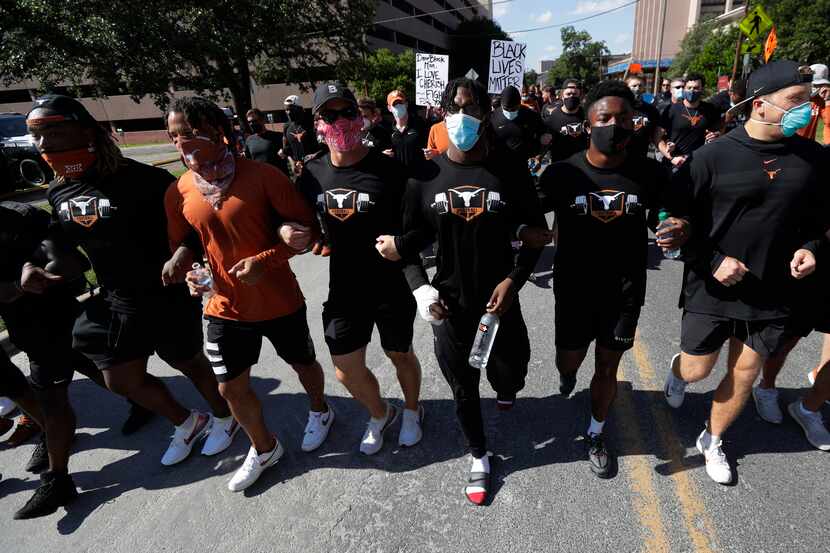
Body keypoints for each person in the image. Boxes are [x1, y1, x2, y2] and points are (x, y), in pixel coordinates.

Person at [27, 95, 232, 471]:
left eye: (54, 132)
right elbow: (64, 249)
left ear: (87, 131)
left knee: (188, 362)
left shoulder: (144, 180)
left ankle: (224, 416)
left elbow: (194, 226)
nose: (44, 144)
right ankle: (188, 421)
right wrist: (42, 268)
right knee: (120, 379)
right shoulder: (58, 192)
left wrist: (183, 255)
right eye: (37, 136)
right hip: (114, 300)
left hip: (163, 291)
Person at [663, 61, 828, 485]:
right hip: (712, 286)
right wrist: (712, 258)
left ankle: (712, 438)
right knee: (699, 370)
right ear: (759, 105)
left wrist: (812, 248)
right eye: (795, 100)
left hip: (773, 292)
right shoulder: (710, 157)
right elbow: (669, 219)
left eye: (809, 99)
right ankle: (679, 369)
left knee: (745, 372)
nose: (806, 108)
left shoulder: (814, 159)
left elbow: (819, 223)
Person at [385, 77, 548, 505]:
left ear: (485, 113)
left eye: (472, 107)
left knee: (511, 374)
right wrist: (421, 291)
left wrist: (514, 280)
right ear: (442, 113)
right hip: (450, 305)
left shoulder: (508, 168)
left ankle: (506, 384)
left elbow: (536, 235)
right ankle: (478, 454)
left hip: (501, 302)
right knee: (463, 386)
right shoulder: (424, 176)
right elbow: (406, 246)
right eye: (455, 107)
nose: (463, 116)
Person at [165, 96, 333, 492]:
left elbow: (307, 232)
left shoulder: (263, 176)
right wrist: (185, 267)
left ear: (218, 132)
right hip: (223, 305)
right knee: (229, 388)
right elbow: (190, 241)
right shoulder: (180, 190)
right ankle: (264, 447)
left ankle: (320, 410)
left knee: (304, 364)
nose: (183, 144)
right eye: (174, 137)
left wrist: (266, 260)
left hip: (278, 301)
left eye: (190, 134)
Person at [539, 81, 688, 478]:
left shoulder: (650, 174)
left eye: (623, 118)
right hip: (573, 290)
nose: (614, 125)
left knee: (607, 368)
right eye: (604, 117)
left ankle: (595, 431)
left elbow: (674, 213)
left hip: (624, 291)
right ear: (588, 124)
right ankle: (568, 374)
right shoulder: (561, 174)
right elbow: (525, 212)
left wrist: (676, 225)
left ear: (634, 123)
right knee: (569, 359)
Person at [297, 82, 425, 455]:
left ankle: (414, 410)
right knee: (345, 368)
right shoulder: (311, 173)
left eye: (347, 112)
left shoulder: (389, 170)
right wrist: (301, 233)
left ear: (360, 116)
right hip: (345, 288)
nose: (340, 121)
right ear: (319, 123)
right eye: (330, 115)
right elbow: (301, 220)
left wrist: (400, 246)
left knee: (399, 354)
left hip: (390, 284)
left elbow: (416, 226)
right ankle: (380, 412)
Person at [657, 73, 720, 170]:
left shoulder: (709, 109)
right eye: (689, 88)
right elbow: (657, 137)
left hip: (699, 163)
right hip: (676, 163)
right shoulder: (671, 110)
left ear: (702, 89)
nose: (692, 91)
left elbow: (718, 131)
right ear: (684, 89)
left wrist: (716, 135)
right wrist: (671, 157)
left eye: (696, 88)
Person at [489, 85, 548, 167]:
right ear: (501, 104)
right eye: (506, 109)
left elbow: (545, 137)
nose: (510, 112)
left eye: (513, 109)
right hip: (500, 166)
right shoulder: (492, 117)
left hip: (526, 167)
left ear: (519, 103)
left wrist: (539, 157)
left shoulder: (531, 115)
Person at [544, 78, 588, 163]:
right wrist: (539, 157)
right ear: (562, 96)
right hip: (560, 165)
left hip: (583, 167)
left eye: (575, 94)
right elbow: (547, 142)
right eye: (568, 94)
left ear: (580, 96)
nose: (571, 96)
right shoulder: (553, 117)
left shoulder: (587, 115)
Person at [385, 89, 428, 171]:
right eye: (395, 104)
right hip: (398, 177)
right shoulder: (387, 130)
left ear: (406, 104)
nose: (398, 107)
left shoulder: (420, 124)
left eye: (400, 103)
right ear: (389, 108)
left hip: (419, 177)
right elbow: (384, 151)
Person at [626, 75, 663, 159]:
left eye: (640, 85)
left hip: (643, 155)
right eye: (634, 86)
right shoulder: (621, 108)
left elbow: (656, 134)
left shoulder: (651, 110)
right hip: (621, 156)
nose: (637, 88)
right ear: (627, 88)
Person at [283, 94, 320, 177]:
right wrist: (293, 165)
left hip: (318, 166)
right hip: (299, 170)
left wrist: (313, 157)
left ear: (299, 108)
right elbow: (287, 150)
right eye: (286, 110)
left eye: (291, 109)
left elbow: (325, 145)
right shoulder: (286, 126)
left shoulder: (312, 122)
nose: (288, 113)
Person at [244, 108, 289, 175]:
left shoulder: (278, 136)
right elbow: (249, 162)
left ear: (263, 120)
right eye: (249, 122)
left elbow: (289, 154)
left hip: (278, 177)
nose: (252, 124)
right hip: (260, 180)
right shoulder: (249, 140)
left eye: (254, 121)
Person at [795, 64, 830, 144]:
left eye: (820, 85)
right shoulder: (795, 98)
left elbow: (828, 122)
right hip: (790, 145)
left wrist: (827, 99)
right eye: (814, 84)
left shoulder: (819, 100)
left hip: (808, 145)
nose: (816, 88)